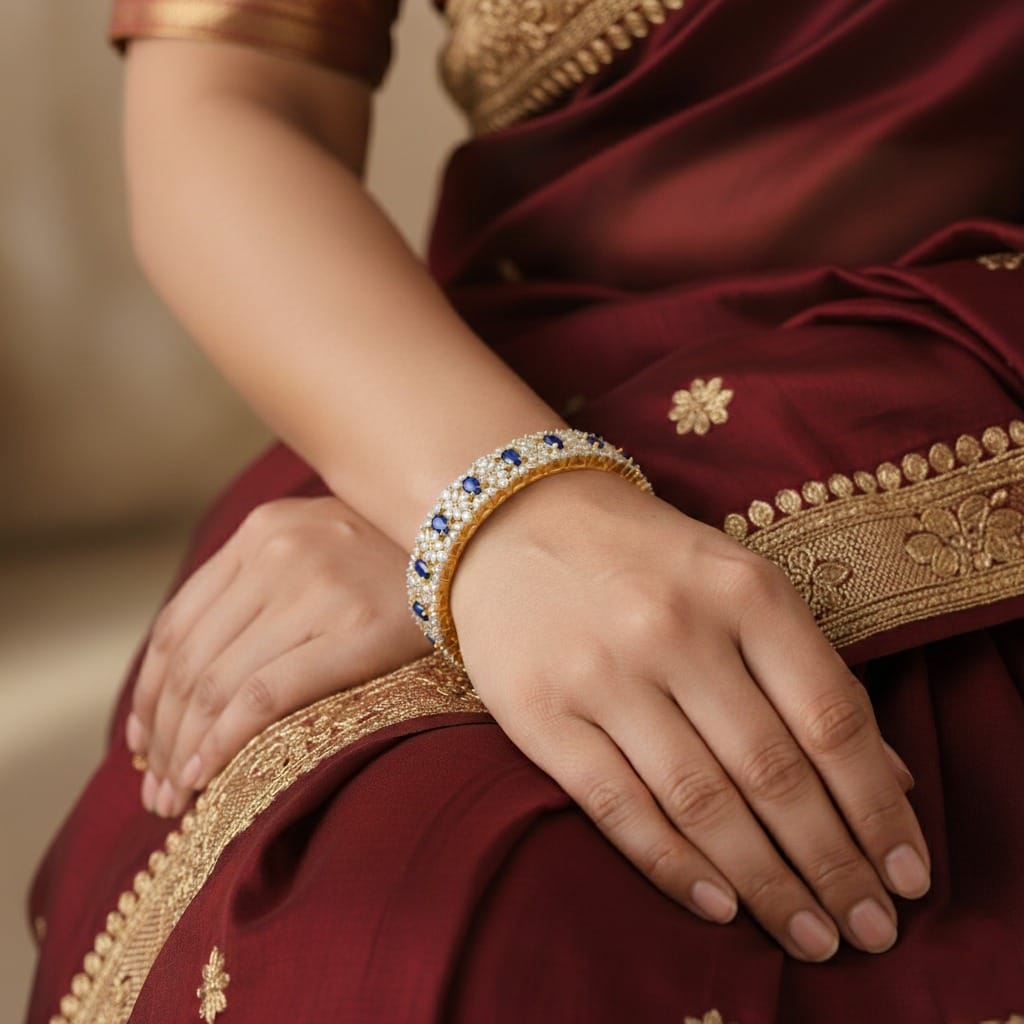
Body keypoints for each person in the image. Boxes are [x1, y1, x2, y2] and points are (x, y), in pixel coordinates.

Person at [25, 0, 1024, 1021]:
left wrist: (505, 515)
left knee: (537, 907)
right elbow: (235, 101)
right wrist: (490, 504)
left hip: (985, 358)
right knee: (364, 891)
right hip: (496, 390)